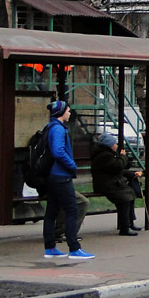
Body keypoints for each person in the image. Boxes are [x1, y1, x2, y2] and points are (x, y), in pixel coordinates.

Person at [42, 100, 95, 260]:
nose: (70, 113)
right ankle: (74, 248)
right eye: (68, 111)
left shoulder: (50, 127)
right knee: (72, 209)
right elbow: (58, 151)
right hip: (61, 176)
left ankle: (50, 248)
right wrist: (71, 164)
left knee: (51, 212)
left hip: (52, 176)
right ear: (61, 113)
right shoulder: (58, 129)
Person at [91, 133, 142, 236]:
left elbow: (119, 170)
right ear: (109, 145)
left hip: (111, 183)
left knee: (130, 194)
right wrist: (122, 157)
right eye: (114, 143)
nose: (116, 145)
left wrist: (132, 174)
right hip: (106, 185)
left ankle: (129, 223)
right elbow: (118, 166)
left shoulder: (108, 154)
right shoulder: (104, 156)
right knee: (125, 198)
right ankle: (124, 228)